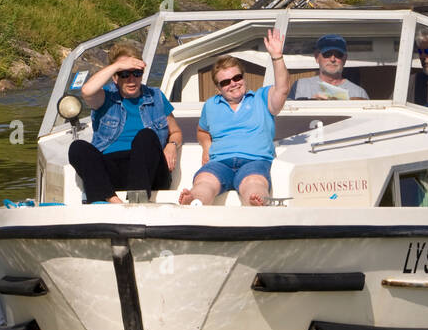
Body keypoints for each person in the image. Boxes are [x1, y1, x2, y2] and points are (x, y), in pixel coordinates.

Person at [179, 28, 288, 207]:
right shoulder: (211, 105)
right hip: (220, 162)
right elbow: (202, 131)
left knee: (254, 184)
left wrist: (277, 57)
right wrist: (206, 146)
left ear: (244, 78)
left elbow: (282, 89)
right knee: (204, 181)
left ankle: (257, 203)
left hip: (254, 160)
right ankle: (195, 200)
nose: (233, 83)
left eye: (237, 77)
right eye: (225, 82)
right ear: (218, 88)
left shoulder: (262, 98)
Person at [68, 43, 182, 204]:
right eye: (124, 74)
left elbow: (176, 132)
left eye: (136, 73)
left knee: (146, 136)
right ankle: (112, 199)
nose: (131, 79)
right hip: (111, 170)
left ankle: (137, 200)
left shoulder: (156, 96)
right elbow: (87, 91)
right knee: (77, 147)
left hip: (150, 172)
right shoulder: (105, 97)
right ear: (114, 77)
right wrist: (117, 65)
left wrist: (171, 145)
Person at [290, 34, 368, 100]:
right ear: (317, 57)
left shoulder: (359, 92)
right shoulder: (300, 86)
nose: (332, 59)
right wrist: (310, 102)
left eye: (338, 55)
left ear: (344, 59)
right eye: (327, 54)